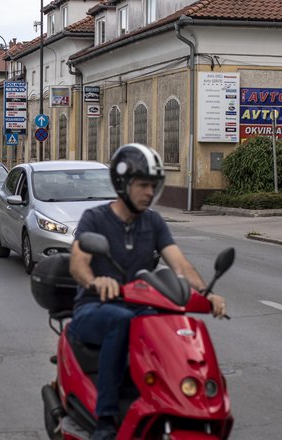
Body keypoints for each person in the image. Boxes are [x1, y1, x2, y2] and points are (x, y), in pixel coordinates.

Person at [68, 143, 227, 440]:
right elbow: (78, 264)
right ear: (122, 183)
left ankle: (176, 400)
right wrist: (95, 282)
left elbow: (179, 263)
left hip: (139, 305)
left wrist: (206, 294)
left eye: (153, 186)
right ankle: (106, 416)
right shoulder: (95, 218)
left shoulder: (152, 221)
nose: (148, 193)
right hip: (94, 308)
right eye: (142, 185)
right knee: (120, 320)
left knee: (175, 324)